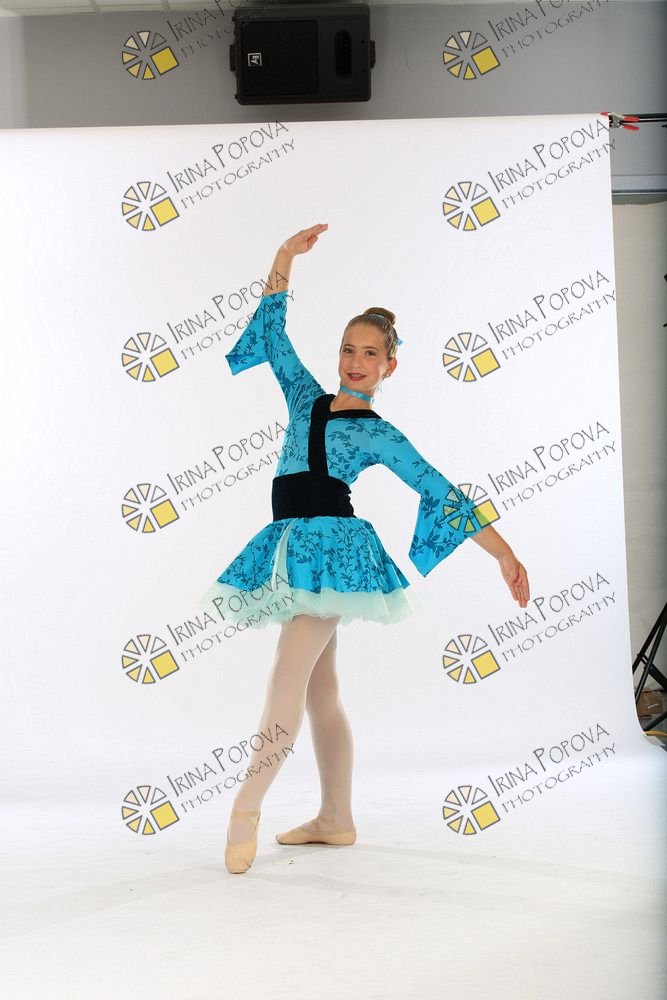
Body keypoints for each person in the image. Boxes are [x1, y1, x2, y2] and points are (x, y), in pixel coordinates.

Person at [203, 224, 530, 874]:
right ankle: (336, 819)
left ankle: (245, 807)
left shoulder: (379, 434)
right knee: (319, 691)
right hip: (293, 547)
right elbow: (273, 336)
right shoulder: (305, 397)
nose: (356, 360)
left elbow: (438, 489)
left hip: (336, 555)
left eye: (371, 353)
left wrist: (501, 551)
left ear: (388, 367)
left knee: (285, 677)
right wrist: (283, 258)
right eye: (349, 349)